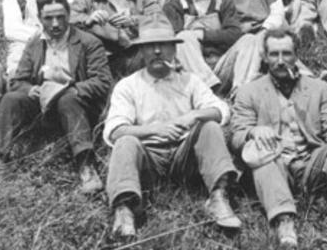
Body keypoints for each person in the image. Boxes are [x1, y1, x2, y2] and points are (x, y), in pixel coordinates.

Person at [230, 29, 327, 250]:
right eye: (274, 54)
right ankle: (284, 220)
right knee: (260, 149)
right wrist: (253, 132)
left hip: (310, 164)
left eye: (287, 53)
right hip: (275, 165)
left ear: (296, 56)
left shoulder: (318, 88)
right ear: (264, 57)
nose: (281, 61)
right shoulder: (249, 91)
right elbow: (236, 136)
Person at [103, 17, 241, 238]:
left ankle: (218, 196)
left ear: (174, 49)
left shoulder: (189, 81)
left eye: (164, 45)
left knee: (209, 127)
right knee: (125, 142)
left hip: (185, 157)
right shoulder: (128, 86)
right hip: (149, 160)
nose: (157, 52)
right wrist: (155, 130)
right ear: (141, 51)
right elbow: (115, 130)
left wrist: (194, 114)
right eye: (150, 46)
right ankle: (124, 210)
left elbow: (222, 110)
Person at [0, 0, 112, 193]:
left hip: (78, 105)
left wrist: (72, 89)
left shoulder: (88, 42)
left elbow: (102, 82)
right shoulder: (36, 42)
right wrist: (30, 89)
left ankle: (86, 165)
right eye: (48, 18)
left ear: (69, 16)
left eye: (60, 17)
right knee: (11, 98)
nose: (55, 24)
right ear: (40, 19)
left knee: (67, 99)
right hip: (43, 104)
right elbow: (19, 80)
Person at [162, 0, 242, 90]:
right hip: (191, 68)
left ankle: (240, 91)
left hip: (221, 63)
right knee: (183, 37)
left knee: (250, 39)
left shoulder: (224, 2)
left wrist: (202, 35)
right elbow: (174, 42)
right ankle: (208, 90)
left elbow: (234, 34)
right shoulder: (175, 4)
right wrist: (194, 37)